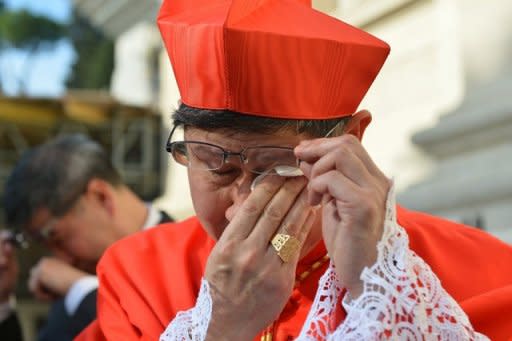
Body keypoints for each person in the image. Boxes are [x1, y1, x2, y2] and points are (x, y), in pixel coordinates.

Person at [77, 0, 512, 340]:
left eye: (278, 168)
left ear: (351, 142)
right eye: (215, 163)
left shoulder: (481, 271)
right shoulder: (137, 274)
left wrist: (374, 295)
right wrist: (222, 328)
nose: (240, 208)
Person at [0, 133, 173, 341]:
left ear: (100, 196)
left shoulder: (189, 259)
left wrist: (85, 291)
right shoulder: (75, 277)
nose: (60, 260)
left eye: (57, 238)